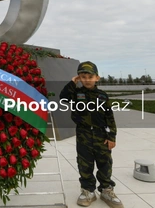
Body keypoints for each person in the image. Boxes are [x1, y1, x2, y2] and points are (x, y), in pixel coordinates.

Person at [60, 61, 123, 208]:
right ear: (79, 78)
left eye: (90, 76)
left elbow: (109, 117)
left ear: (97, 78)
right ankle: (88, 191)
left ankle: (106, 190)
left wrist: (111, 137)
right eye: (83, 76)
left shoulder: (103, 96)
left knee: (105, 164)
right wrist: (72, 82)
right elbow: (63, 98)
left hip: (102, 136)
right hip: (84, 135)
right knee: (84, 164)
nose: (87, 79)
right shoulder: (76, 93)